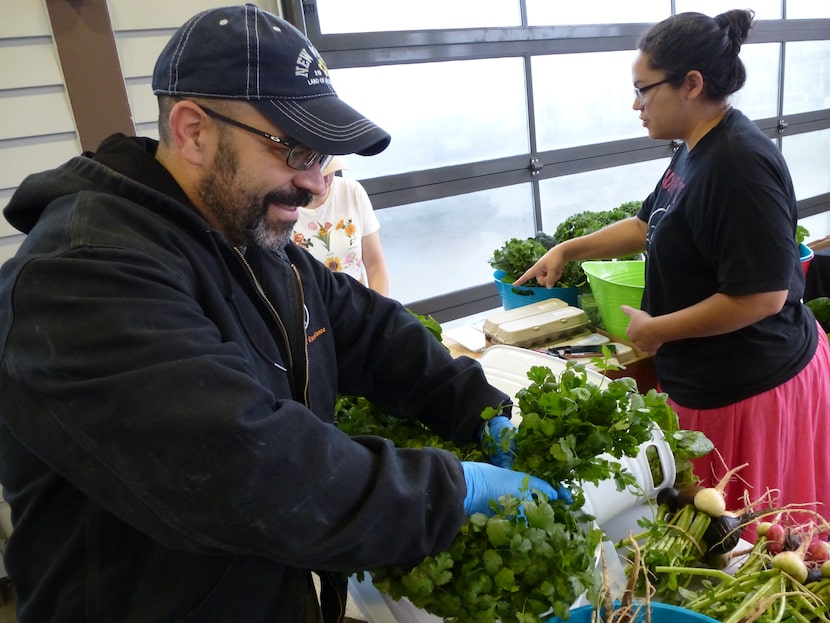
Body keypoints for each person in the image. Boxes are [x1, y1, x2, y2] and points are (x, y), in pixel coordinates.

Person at [0, 6, 567, 623]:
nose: (319, 186)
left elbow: (368, 332)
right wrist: (455, 491)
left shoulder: (246, 237)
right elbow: (247, 473)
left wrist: (477, 411)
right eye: (296, 151)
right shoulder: (82, 277)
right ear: (193, 131)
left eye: (324, 160)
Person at [517, 10, 830, 521]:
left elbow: (762, 296)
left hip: (752, 386)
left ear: (691, 84)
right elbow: (647, 224)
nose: (636, 104)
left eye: (644, 90)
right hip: (709, 378)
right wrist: (568, 249)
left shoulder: (740, 165)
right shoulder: (694, 148)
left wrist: (659, 329)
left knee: (753, 540)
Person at [293, 157, 389, 295]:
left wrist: (380, 312)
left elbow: (375, 264)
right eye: (320, 174)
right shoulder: (283, 208)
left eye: (330, 171)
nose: (326, 180)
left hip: (360, 306)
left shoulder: (352, 191)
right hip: (314, 312)